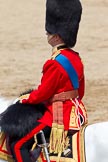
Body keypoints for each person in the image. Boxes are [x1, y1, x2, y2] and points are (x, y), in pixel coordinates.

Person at [10, 0, 88, 161]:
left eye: (49, 32)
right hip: (77, 111)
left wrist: (26, 99)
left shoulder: (54, 63)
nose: (47, 34)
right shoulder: (76, 58)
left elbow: (43, 94)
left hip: (59, 115)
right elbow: (80, 91)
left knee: (18, 146)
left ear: (56, 36)